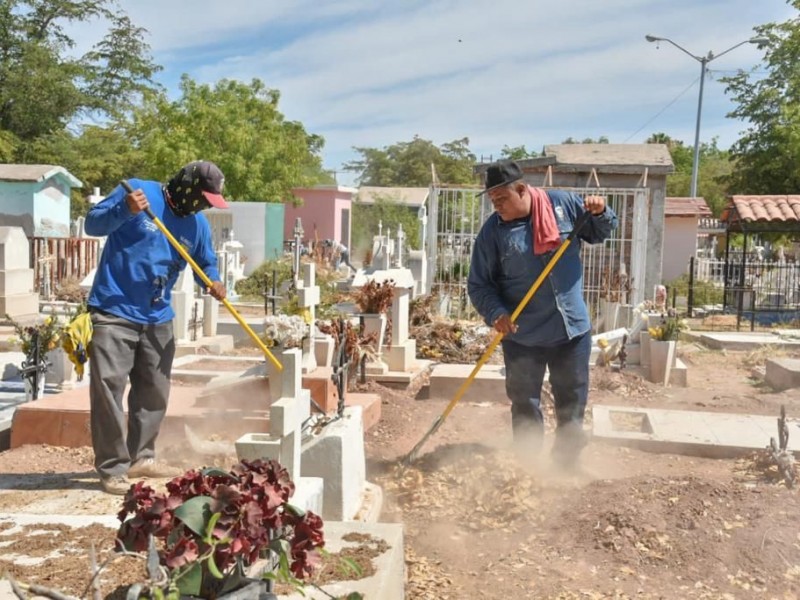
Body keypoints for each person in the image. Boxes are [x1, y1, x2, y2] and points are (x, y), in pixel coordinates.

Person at [84, 160, 229, 495]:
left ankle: (142, 456)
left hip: (158, 317)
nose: (204, 205)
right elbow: (94, 224)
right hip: (114, 309)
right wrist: (125, 209)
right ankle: (112, 468)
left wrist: (215, 281)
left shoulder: (197, 226)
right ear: (187, 186)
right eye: (203, 197)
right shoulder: (139, 191)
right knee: (107, 391)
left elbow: (205, 261)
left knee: (154, 394)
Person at [467, 159, 618, 468]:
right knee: (524, 404)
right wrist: (496, 312)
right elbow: (479, 284)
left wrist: (600, 211)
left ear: (521, 189)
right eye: (492, 201)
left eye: (502, 199)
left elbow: (600, 232)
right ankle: (528, 466)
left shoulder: (562, 204)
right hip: (523, 336)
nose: (496, 207)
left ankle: (565, 467)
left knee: (572, 404)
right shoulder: (492, 233)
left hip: (570, 332)